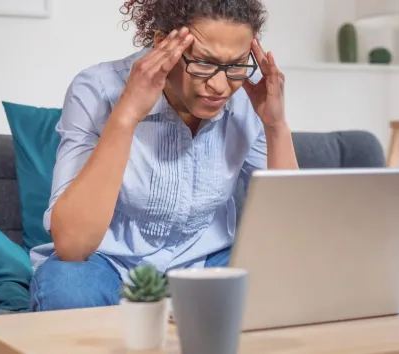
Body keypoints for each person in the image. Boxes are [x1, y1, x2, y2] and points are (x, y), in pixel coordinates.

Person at [28, 0, 298, 312]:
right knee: (66, 288)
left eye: (235, 65)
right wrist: (127, 114)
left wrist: (275, 125)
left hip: (207, 265)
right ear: (164, 45)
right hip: (106, 264)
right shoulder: (98, 89)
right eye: (204, 63)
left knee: (289, 282)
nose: (221, 86)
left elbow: (289, 234)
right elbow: (72, 245)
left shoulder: (247, 98)